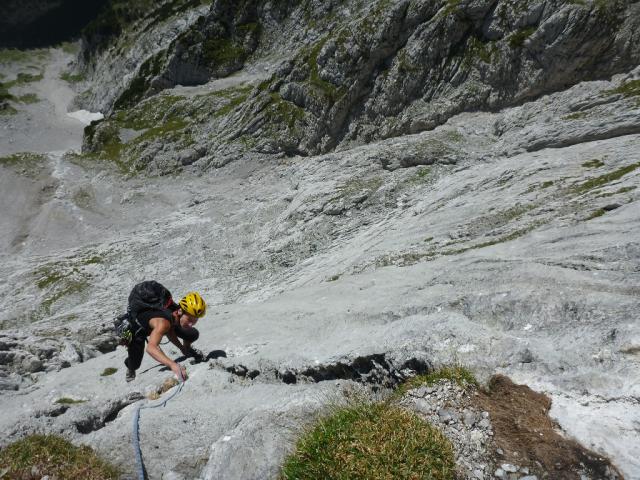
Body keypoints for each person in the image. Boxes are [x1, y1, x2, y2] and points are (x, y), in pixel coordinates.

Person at [124, 281, 207, 382]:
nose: (191, 324)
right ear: (180, 311)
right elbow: (151, 348)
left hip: (159, 320)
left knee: (192, 333)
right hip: (139, 328)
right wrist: (173, 365)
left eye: (194, 321)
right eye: (189, 319)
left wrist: (181, 348)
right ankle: (130, 367)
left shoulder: (174, 310)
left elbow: (170, 330)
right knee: (135, 364)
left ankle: (187, 349)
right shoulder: (164, 323)